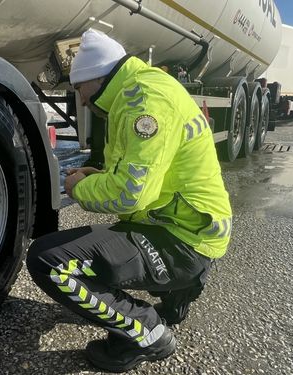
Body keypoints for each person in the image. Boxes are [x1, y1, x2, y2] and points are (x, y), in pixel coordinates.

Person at [26, 29, 232, 372]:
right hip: (192, 229)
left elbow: (130, 194)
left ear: (96, 77)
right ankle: (178, 292)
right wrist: (99, 176)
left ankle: (147, 332)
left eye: (79, 89)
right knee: (116, 234)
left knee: (49, 260)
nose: (83, 100)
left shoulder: (143, 103)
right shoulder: (142, 88)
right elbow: (143, 172)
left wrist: (78, 188)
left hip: (183, 242)